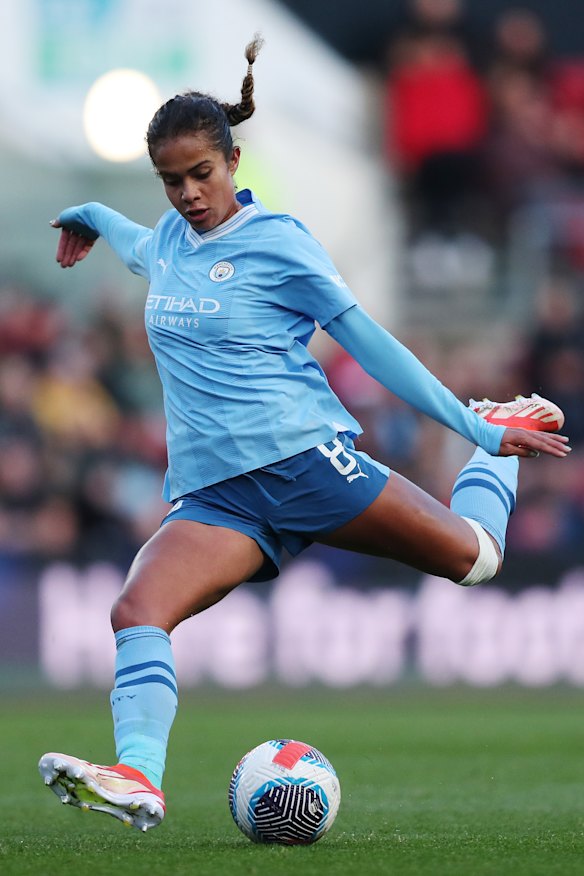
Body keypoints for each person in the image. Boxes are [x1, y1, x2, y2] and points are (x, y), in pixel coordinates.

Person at [38, 36, 570, 832]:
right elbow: (141, 249)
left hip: (303, 465)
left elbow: (371, 345)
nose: (188, 193)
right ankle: (139, 777)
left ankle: (497, 425)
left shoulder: (279, 242)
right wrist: (93, 215)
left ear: (233, 160)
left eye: (201, 173)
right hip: (219, 497)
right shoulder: (173, 240)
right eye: (171, 180)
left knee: (477, 560)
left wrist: (471, 426)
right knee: (137, 610)